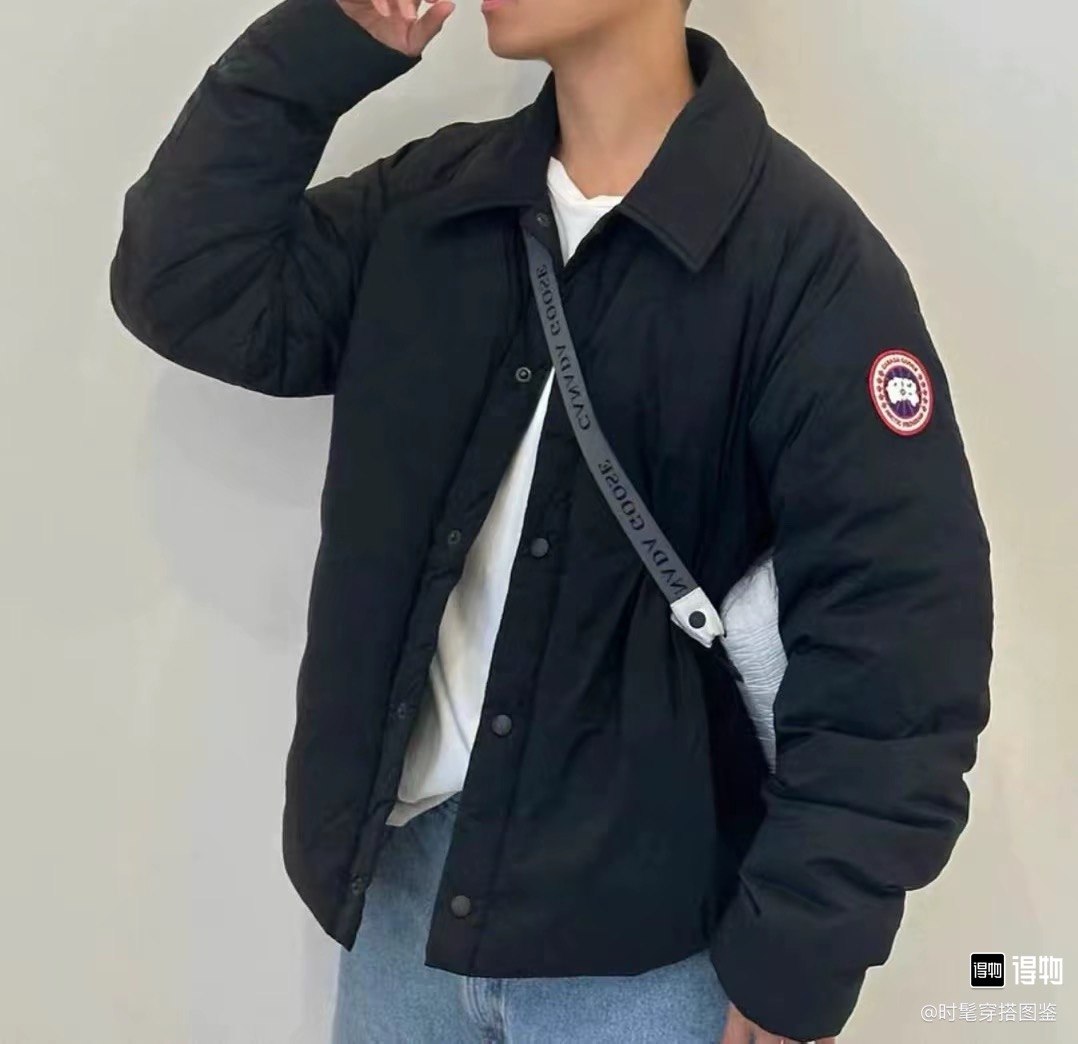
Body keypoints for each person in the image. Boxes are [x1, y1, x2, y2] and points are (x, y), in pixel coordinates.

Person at [109, 0, 994, 1040]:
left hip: (650, 955)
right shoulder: (436, 202)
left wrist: (798, 953)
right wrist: (328, 39)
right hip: (403, 905)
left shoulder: (803, 262)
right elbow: (185, 283)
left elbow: (899, 645)